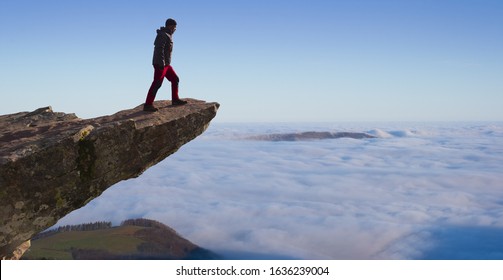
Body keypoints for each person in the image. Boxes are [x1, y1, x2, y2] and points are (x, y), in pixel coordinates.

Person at [144, 18, 187, 112]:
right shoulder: (162, 35)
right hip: (160, 64)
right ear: (170, 26)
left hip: (166, 65)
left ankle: (175, 99)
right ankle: (148, 105)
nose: (175, 29)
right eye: (174, 27)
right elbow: (159, 49)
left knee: (175, 79)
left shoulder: (167, 35)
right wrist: (161, 64)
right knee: (157, 83)